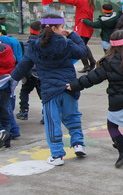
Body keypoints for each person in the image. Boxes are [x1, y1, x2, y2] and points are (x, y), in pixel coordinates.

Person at [10, 14, 88, 165]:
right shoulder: (66, 43)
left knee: (52, 122)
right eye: (62, 27)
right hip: (68, 87)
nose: (64, 30)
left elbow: (24, 65)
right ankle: (78, 144)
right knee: (72, 116)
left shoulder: (34, 45)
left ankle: (57, 155)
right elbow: (82, 52)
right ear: (54, 28)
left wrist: (13, 79)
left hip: (49, 90)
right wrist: (73, 34)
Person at [68, 30, 123, 168]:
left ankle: (122, 150)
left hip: (117, 102)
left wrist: (73, 86)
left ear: (112, 46)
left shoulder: (108, 62)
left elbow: (91, 79)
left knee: (112, 125)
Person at [51, 0, 96, 73]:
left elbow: (70, 0)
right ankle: (90, 63)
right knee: (83, 45)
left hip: (82, 28)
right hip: (86, 28)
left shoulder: (82, 1)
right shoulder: (90, 2)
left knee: (80, 47)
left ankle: (88, 64)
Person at [16, 21, 43, 122]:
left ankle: (24, 111)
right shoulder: (45, 44)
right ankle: (45, 114)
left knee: (24, 91)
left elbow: (22, 59)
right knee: (43, 95)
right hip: (41, 73)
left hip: (29, 73)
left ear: (30, 30)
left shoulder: (25, 44)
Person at [0, 41, 16, 147]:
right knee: (5, 113)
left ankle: (2, 133)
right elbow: (13, 62)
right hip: (5, 84)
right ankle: (7, 139)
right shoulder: (7, 48)